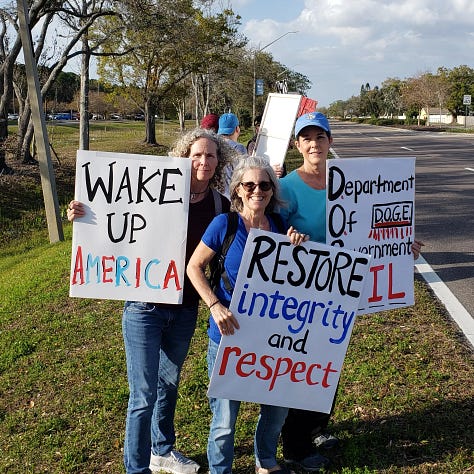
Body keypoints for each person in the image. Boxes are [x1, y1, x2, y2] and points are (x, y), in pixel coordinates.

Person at [67, 128, 237, 474]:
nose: (203, 161)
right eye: (197, 155)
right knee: (143, 395)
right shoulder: (153, 191)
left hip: (187, 308)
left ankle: (161, 450)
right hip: (144, 308)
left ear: (219, 162)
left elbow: (250, 222)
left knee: (168, 386)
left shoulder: (221, 205)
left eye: (211, 155)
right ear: (184, 158)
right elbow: (113, 215)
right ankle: (136, 468)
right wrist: (83, 214)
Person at [279, 112, 424, 472]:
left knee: (329, 362)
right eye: (307, 138)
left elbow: (374, 227)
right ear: (297, 145)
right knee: (300, 363)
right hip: (303, 290)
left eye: (320, 137)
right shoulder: (286, 187)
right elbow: (271, 233)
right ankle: (293, 439)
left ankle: (316, 427)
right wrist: (288, 240)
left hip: (343, 289)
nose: (314, 144)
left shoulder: (352, 181)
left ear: (330, 142)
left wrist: (402, 243)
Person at [186, 155, 306, 474]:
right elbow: (194, 267)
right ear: (238, 190)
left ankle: (265, 460)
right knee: (225, 418)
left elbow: (293, 277)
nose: (257, 191)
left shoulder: (280, 226)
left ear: (272, 190)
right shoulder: (224, 224)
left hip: (271, 338)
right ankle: (220, 469)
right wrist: (214, 305)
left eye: (264, 185)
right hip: (229, 335)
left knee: (278, 409)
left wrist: (298, 249)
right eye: (249, 185)